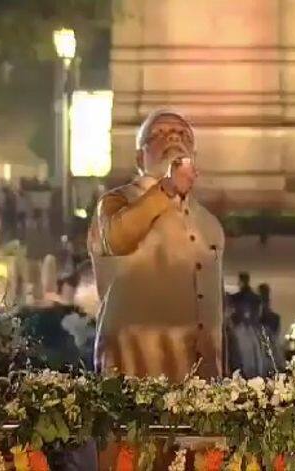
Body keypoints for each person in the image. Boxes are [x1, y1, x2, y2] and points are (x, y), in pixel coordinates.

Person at [88, 109, 226, 380]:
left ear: (194, 157)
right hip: (132, 370)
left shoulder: (210, 224)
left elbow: (215, 312)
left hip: (200, 382)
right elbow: (115, 239)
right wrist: (166, 188)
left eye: (183, 134)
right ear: (140, 157)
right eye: (160, 134)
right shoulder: (116, 203)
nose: (174, 138)